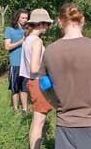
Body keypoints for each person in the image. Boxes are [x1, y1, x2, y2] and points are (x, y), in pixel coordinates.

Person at [40, 3, 91, 149]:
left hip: (65, 126)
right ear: (82, 20)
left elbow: (43, 86)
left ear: (59, 22)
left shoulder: (49, 52)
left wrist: (57, 104)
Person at [19, 8, 54, 149]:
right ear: (40, 24)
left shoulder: (28, 39)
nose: (47, 27)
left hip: (32, 82)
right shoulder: (37, 41)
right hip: (39, 83)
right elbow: (34, 68)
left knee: (36, 120)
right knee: (39, 121)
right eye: (47, 24)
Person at [4, 9, 28, 114]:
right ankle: (15, 110)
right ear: (17, 17)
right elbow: (7, 46)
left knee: (24, 88)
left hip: (26, 64)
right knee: (15, 88)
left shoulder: (27, 30)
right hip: (15, 64)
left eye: (26, 18)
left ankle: (25, 110)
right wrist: (21, 41)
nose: (25, 20)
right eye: (23, 17)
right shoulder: (9, 30)